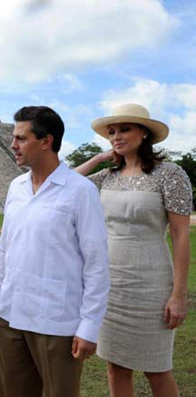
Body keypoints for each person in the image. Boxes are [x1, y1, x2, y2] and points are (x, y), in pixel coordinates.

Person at [0, 106, 109, 397]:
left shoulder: (80, 191)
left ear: (46, 141)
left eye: (21, 138)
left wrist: (89, 325)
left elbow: (96, 263)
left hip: (56, 318)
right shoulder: (16, 187)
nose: (13, 145)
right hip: (11, 311)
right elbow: (7, 245)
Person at [76, 103, 192, 397]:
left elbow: (180, 236)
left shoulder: (170, 174)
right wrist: (99, 158)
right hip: (110, 284)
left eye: (125, 129)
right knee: (116, 366)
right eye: (112, 131)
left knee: (157, 367)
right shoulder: (107, 176)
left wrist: (178, 295)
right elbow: (62, 184)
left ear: (144, 133)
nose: (116, 136)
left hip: (151, 284)